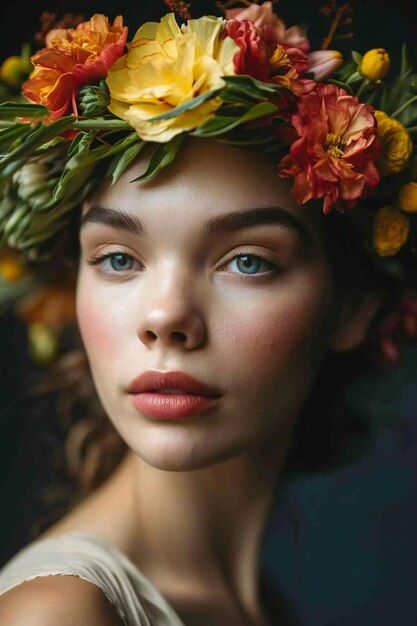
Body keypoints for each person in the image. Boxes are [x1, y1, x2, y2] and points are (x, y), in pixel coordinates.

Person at [0, 3, 416, 625]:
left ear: (352, 309)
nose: (165, 316)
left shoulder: (251, 605)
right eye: (117, 259)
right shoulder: (59, 613)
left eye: (247, 262)